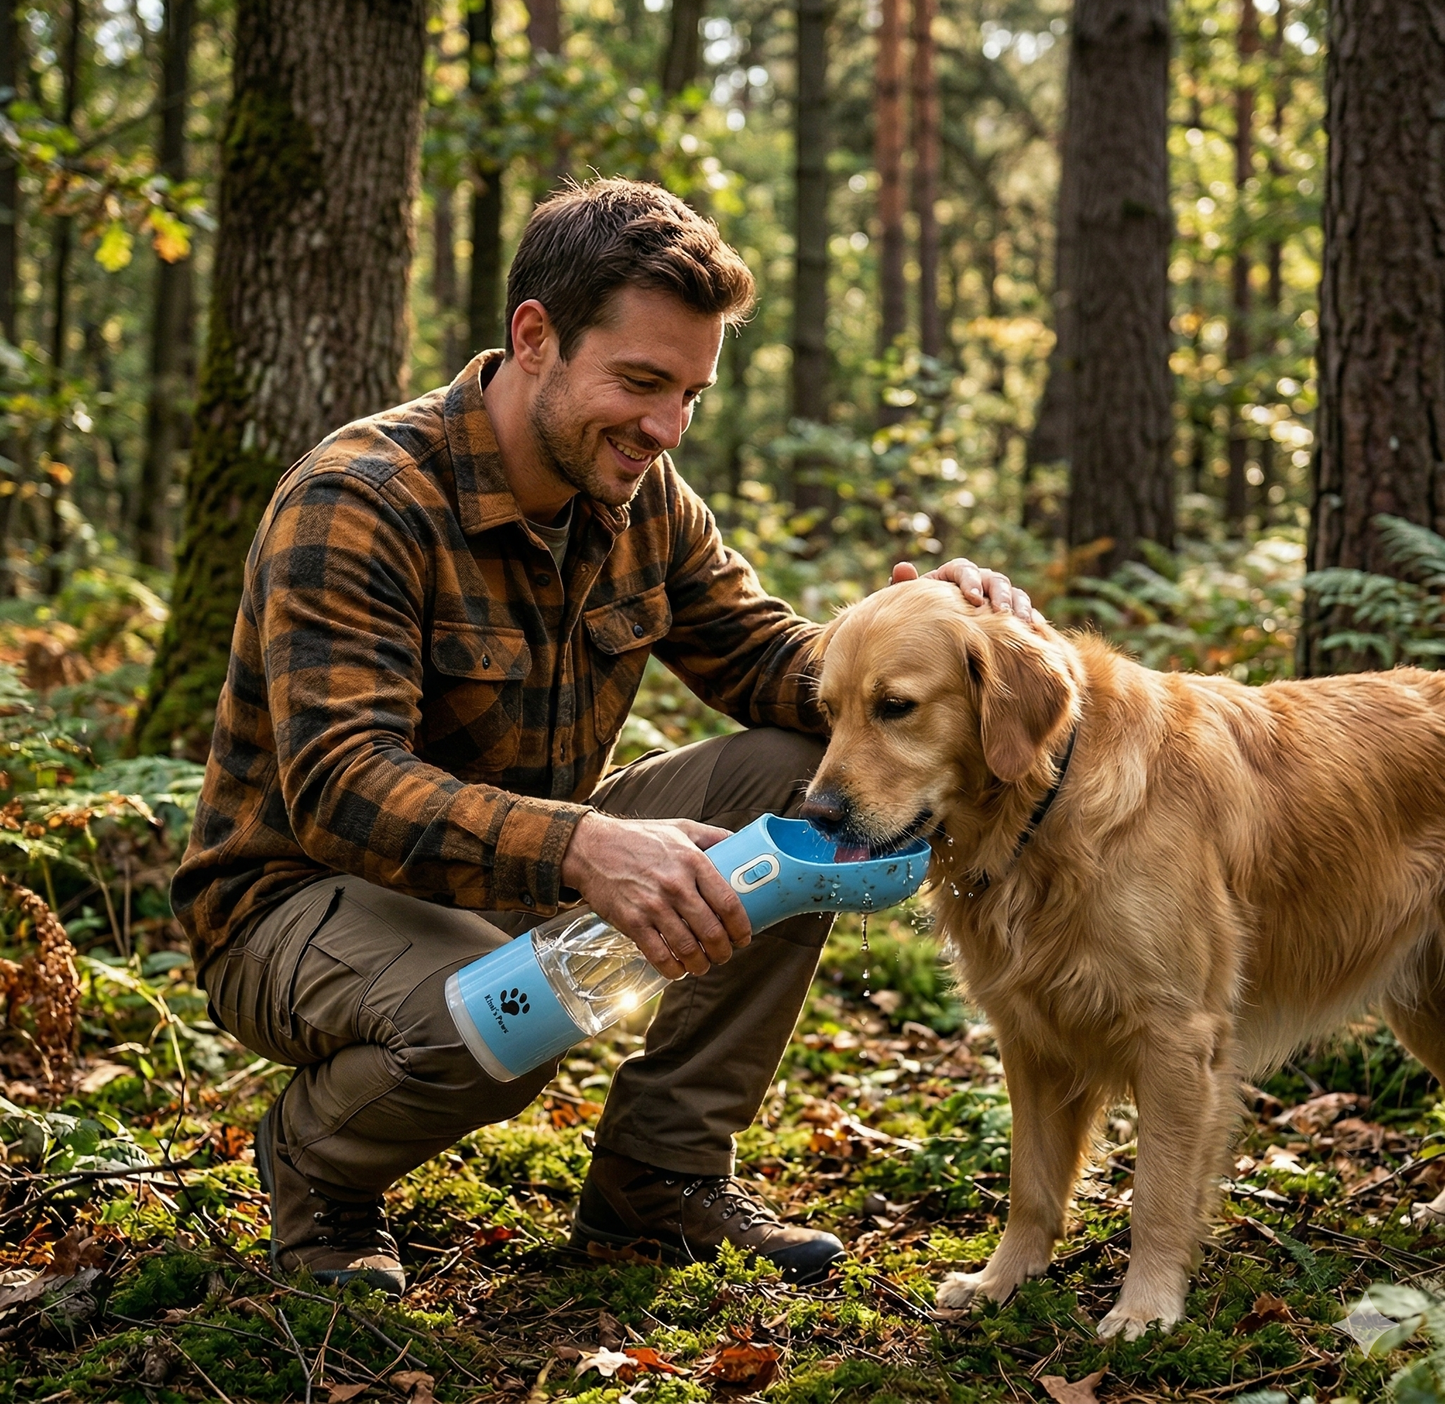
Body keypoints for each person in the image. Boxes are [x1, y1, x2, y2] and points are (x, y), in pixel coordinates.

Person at [173, 178, 1033, 1296]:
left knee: (792, 785)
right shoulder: (360, 500)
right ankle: (316, 1167)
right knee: (504, 1015)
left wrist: (923, 635)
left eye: (688, 395)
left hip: (513, 878)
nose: (665, 428)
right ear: (535, 337)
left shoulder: (641, 495)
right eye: (639, 382)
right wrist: (583, 846)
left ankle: (658, 1177)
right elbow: (343, 785)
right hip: (298, 899)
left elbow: (771, 664)